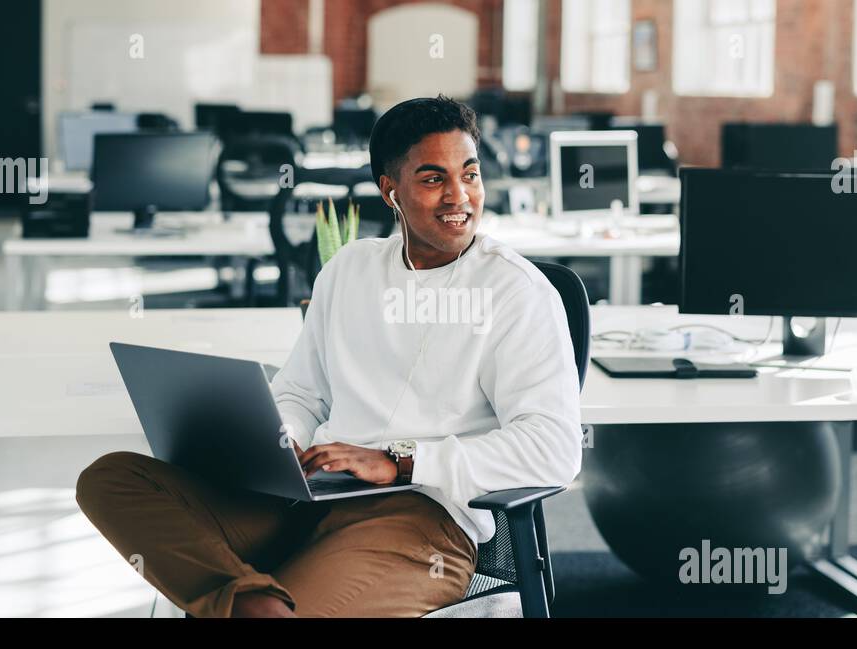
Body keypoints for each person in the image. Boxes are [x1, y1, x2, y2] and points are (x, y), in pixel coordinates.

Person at [75, 95, 581, 618]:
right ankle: (252, 601)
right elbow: (301, 392)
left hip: (419, 519)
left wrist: (401, 461)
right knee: (112, 479)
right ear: (391, 191)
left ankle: (243, 602)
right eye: (433, 179)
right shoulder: (350, 269)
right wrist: (285, 441)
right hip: (306, 497)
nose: (460, 196)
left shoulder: (517, 292)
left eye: (469, 175)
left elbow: (555, 450)